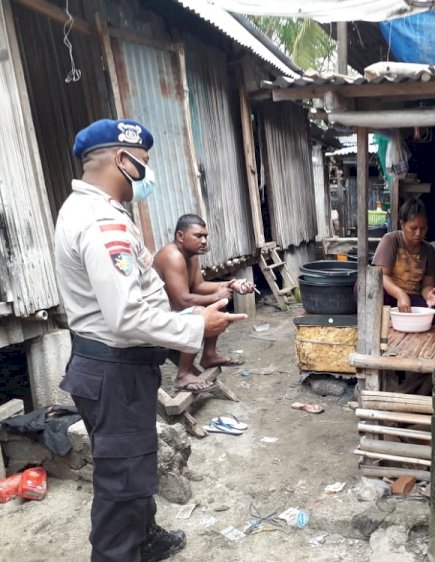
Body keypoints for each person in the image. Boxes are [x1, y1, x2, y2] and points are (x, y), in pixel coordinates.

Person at [55, 118, 247, 561]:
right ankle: (120, 551)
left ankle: (145, 537)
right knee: (121, 480)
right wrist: (197, 327)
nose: (148, 174)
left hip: (118, 367)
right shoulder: (102, 221)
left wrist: (192, 315)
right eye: (144, 163)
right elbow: (126, 316)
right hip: (113, 368)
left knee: (136, 463)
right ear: (122, 160)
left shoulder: (96, 211)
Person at [153, 214, 254, 392]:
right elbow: (182, 301)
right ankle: (183, 375)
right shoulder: (172, 256)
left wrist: (231, 284)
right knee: (200, 313)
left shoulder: (191, 255)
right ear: (180, 236)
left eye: (205, 236)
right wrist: (216, 296)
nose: (204, 240)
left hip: (174, 310)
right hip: (156, 318)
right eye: (198, 236)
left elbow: (199, 286)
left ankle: (209, 355)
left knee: (218, 301)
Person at [372, 198, 435, 315]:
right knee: (364, 288)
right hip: (390, 295)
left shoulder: (429, 250)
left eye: (423, 229)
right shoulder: (391, 240)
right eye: (413, 228)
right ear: (402, 224)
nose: (418, 233)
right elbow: (382, 277)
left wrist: (429, 296)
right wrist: (400, 294)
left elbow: (427, 285)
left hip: (413, 299)